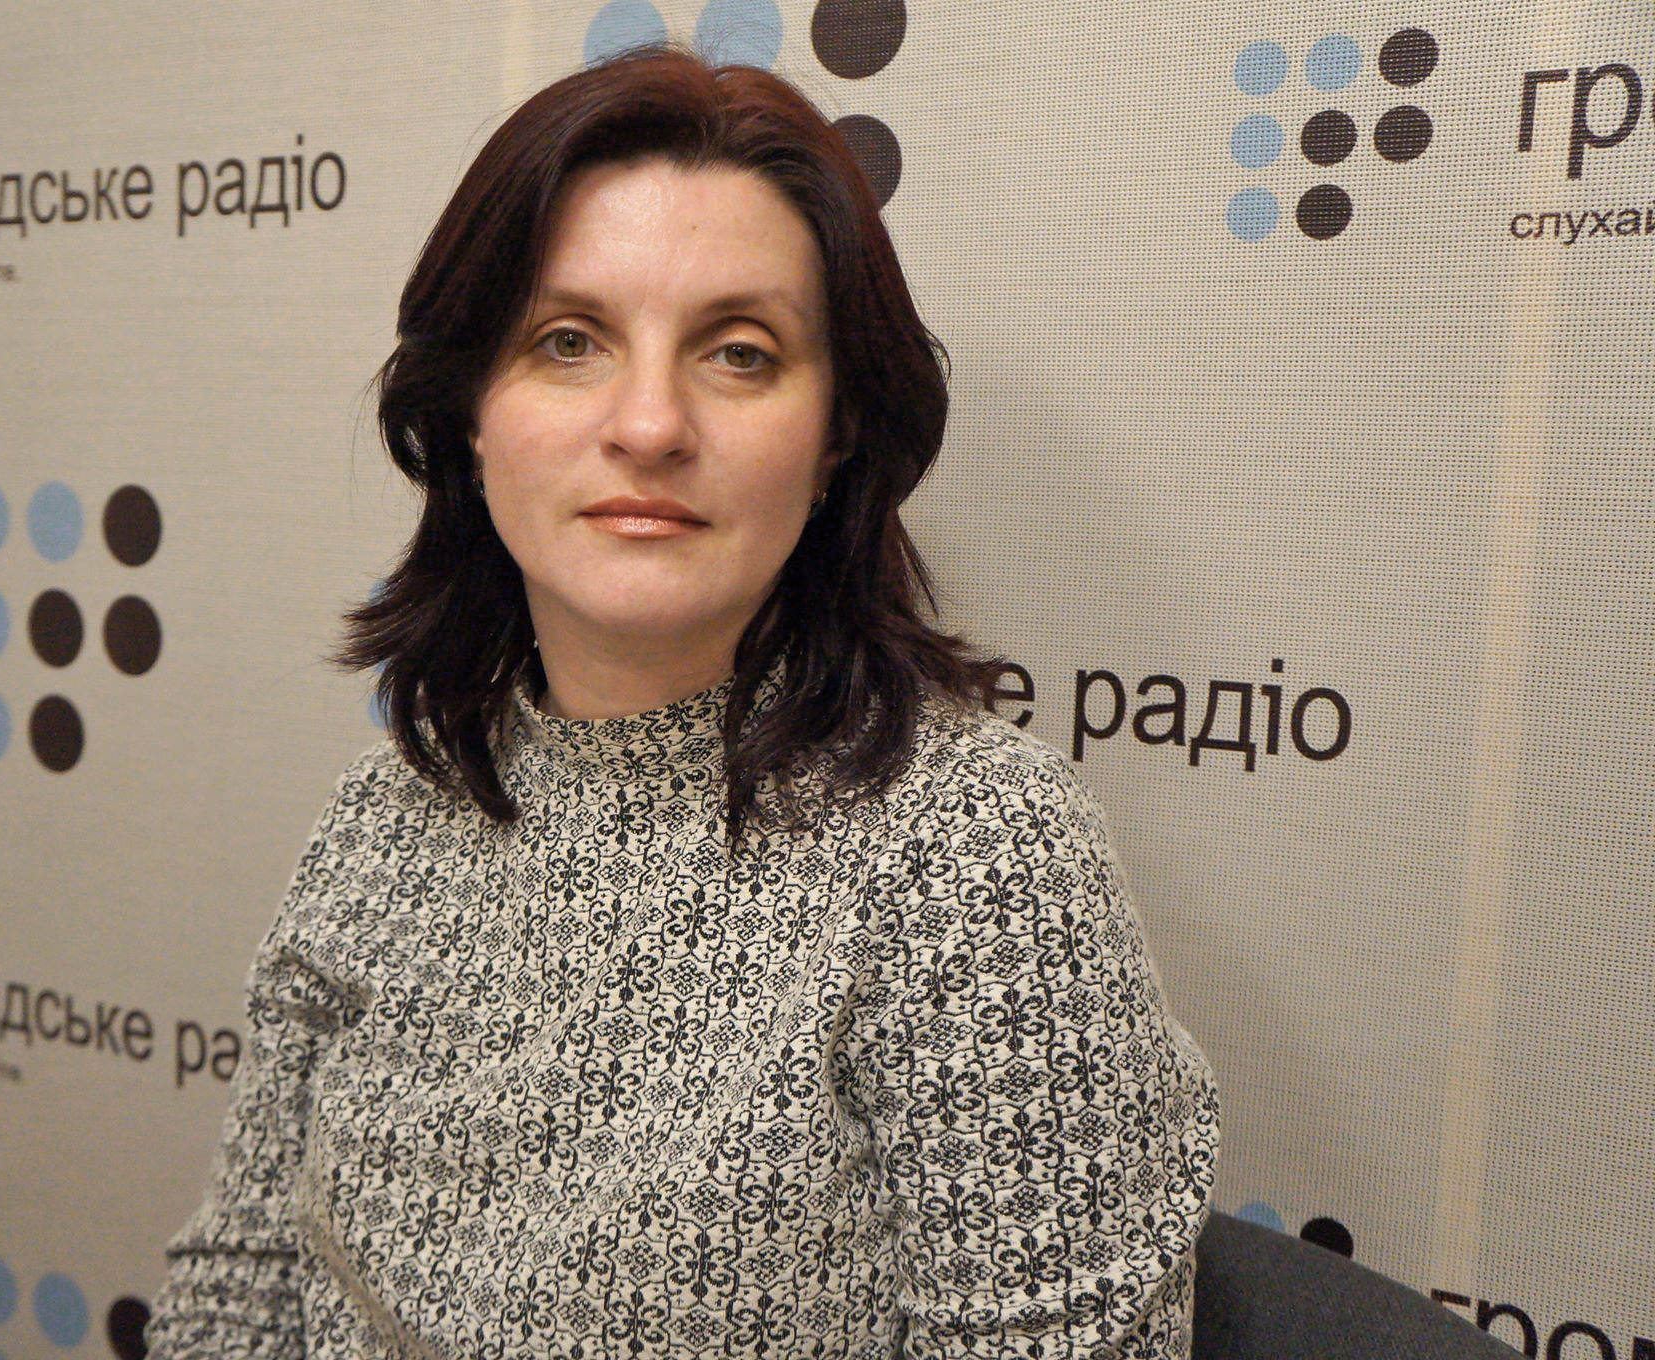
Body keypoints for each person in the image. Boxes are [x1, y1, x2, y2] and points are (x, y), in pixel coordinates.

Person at [145, 41, 1219, 1360]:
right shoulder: (387, 815)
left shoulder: (975, 857)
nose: (649, 425)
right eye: (569, 342)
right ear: (471, 412)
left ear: (835, 437)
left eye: (739, 354)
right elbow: (241, 1284)